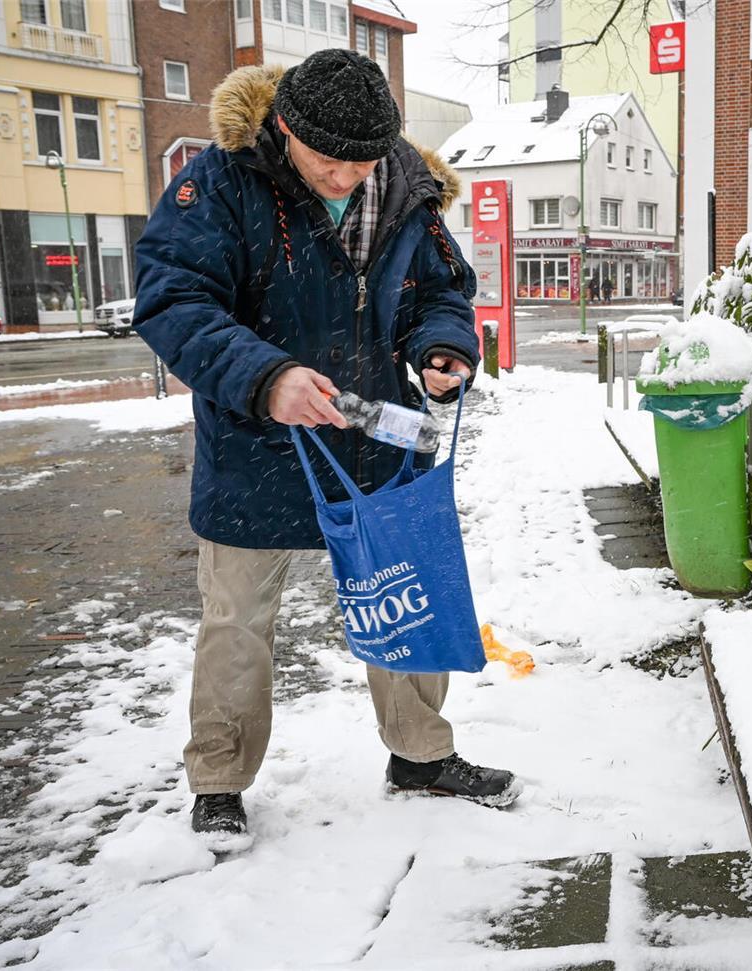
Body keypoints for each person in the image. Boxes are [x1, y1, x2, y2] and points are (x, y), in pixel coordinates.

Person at [133, 50, 519, 839]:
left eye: (363, 159)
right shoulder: (218, 182)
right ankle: (219, 776)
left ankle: (419, 754)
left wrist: (444, 347)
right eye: (326, 159)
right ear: (284, 128)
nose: (345, 176)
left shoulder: (406, 185)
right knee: (237, 620)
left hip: (380, 440)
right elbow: (172, 301)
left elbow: (442, 289)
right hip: (256, 445)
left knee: (405, 599)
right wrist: (264, 376)